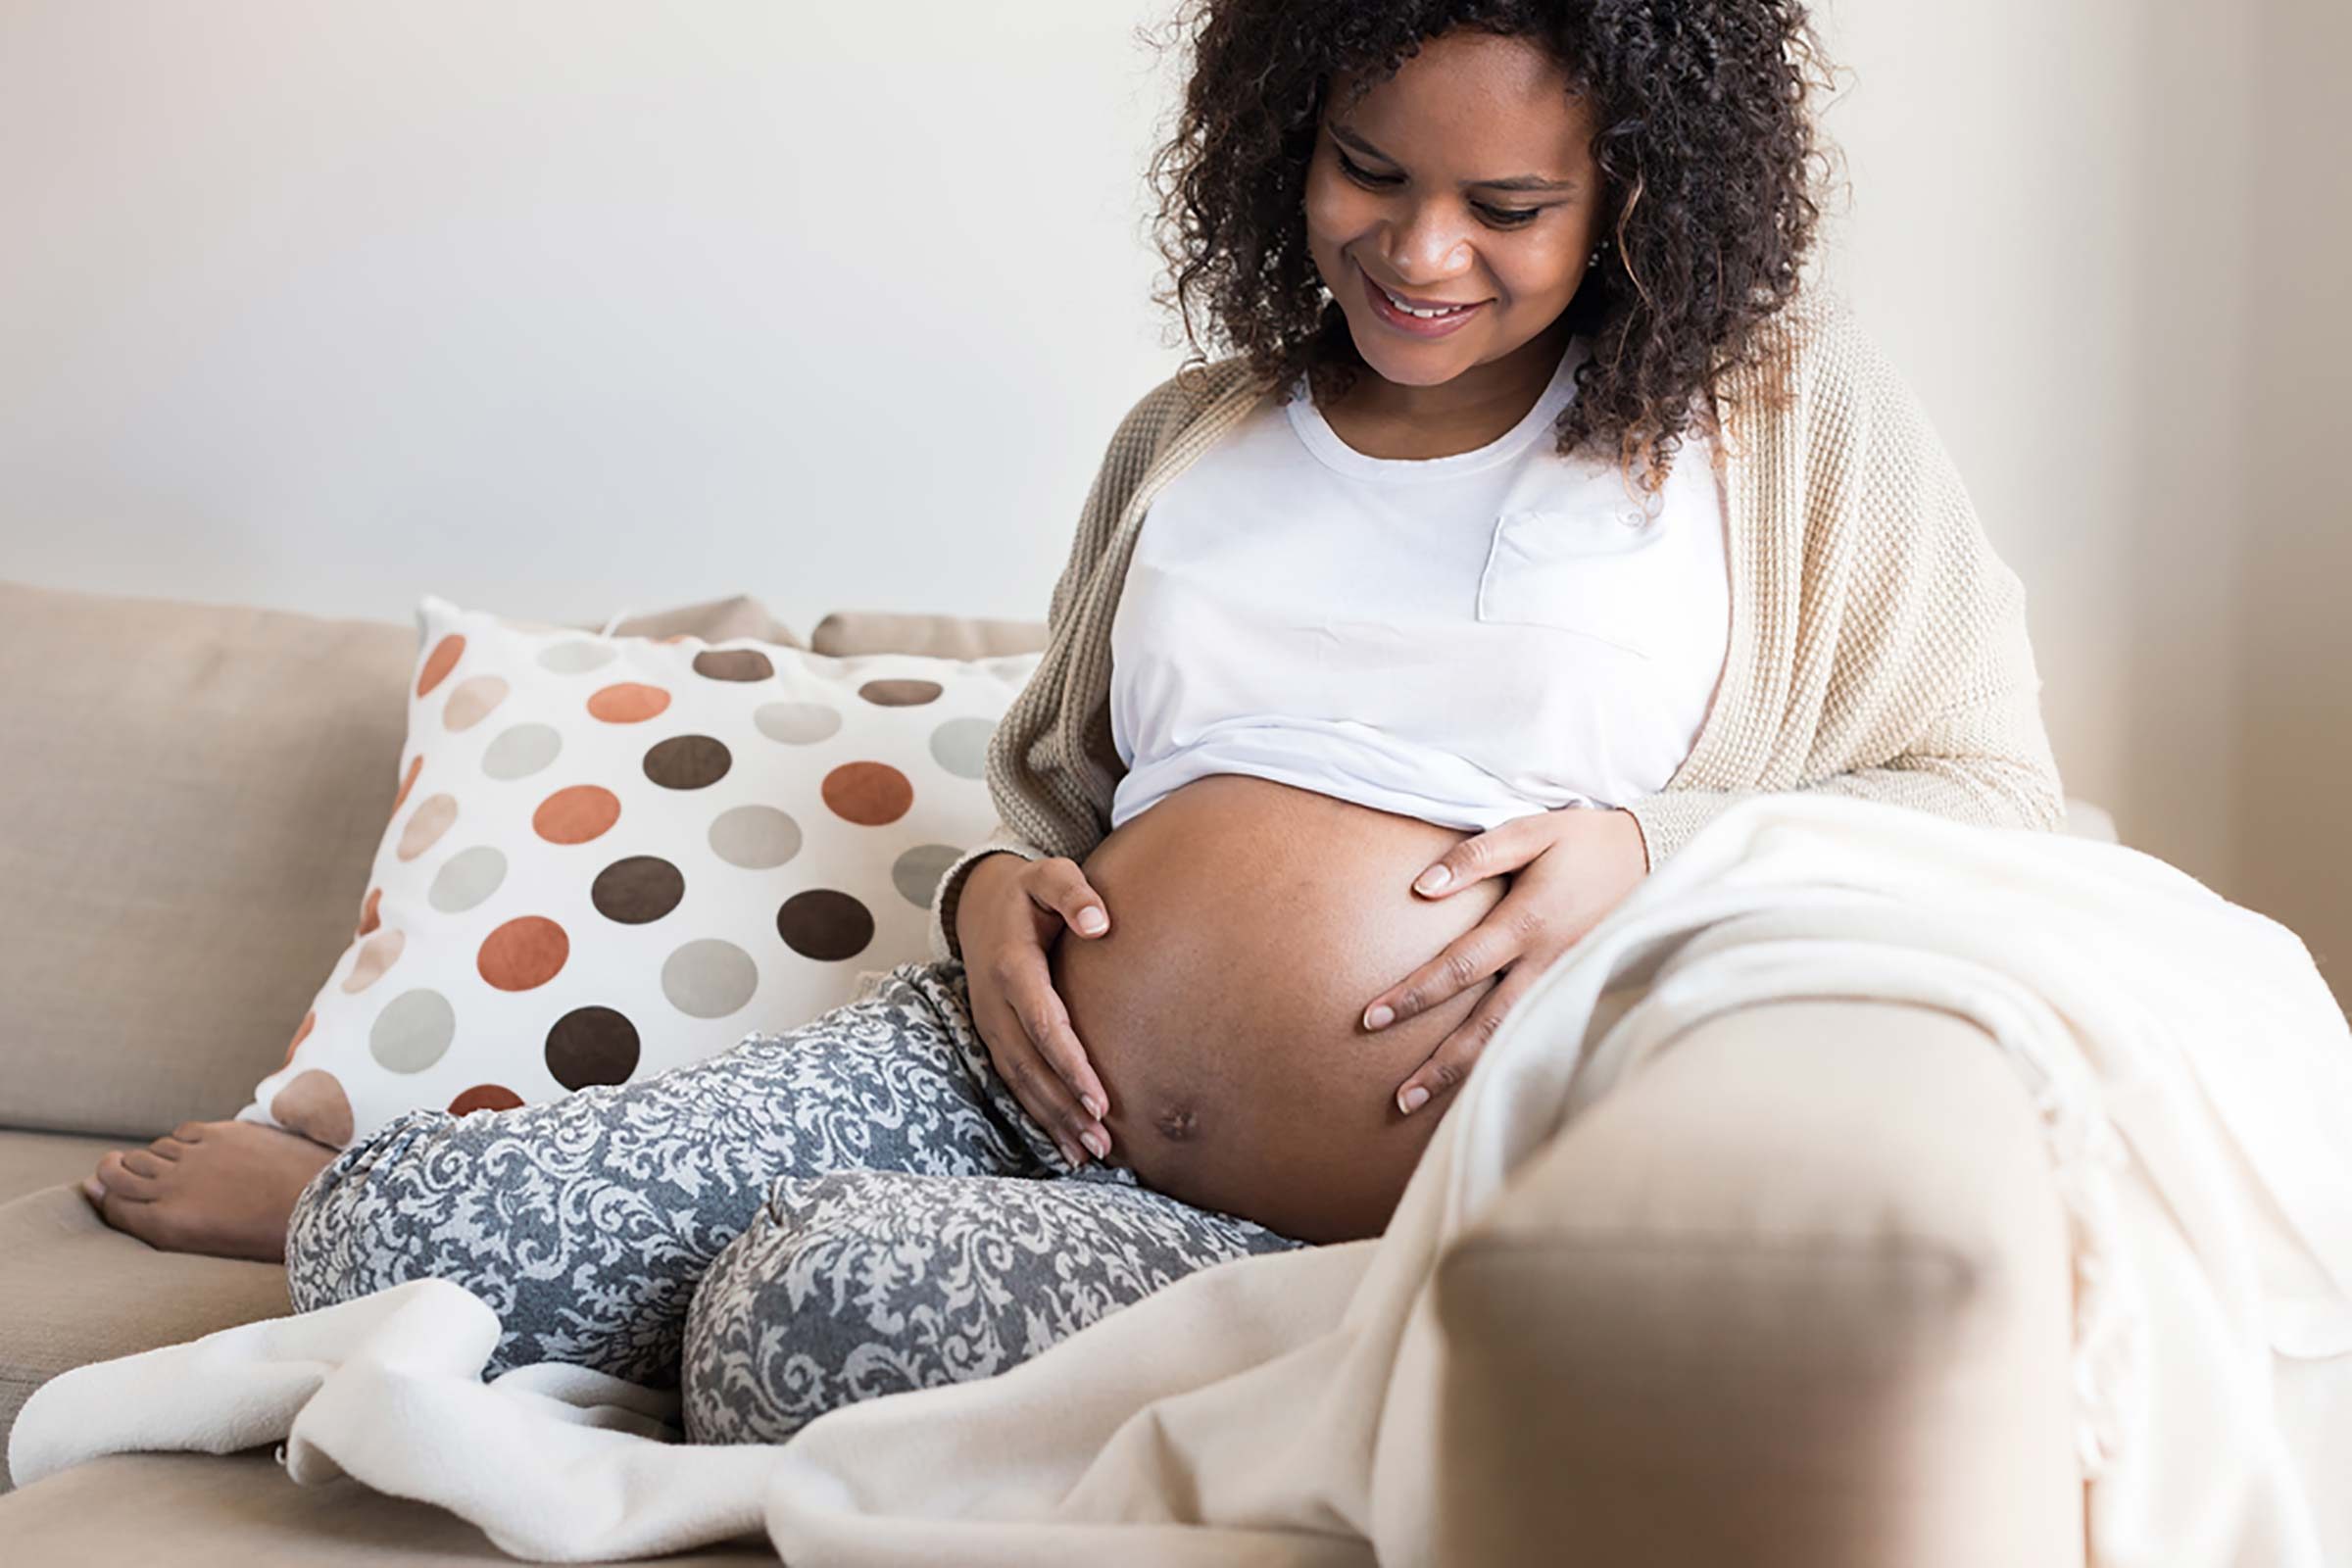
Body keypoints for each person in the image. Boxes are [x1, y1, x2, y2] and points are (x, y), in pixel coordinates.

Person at [79, 3, 2063, 1445]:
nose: (1419, 248)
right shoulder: (1192, 438)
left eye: (1508, 203)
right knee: (409, 1223)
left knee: (809, 1317)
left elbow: (1999, 803)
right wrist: (998, 893)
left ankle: (742, 1289)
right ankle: (452, 1225)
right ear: (1289, 125)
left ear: (1638, 197)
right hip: (994, 1067)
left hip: (1360, 1221)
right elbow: (1083, 803)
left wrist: (1662, 842)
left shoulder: (1782, 437)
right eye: (1369, 167)